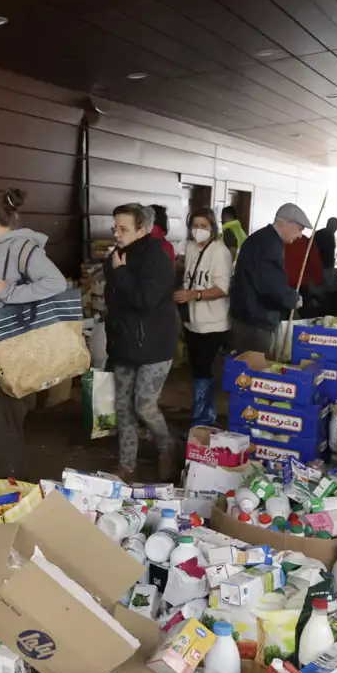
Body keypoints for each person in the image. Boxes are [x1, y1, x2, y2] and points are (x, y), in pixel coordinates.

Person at [0, 187, 66, 480]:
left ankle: (10, 493)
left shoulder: (20, 247)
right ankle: (3, 488)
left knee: (6, 426)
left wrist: (11, 291)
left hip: (17, 351)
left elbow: (56, 282)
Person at [104, 203, 178, 482]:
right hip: (124, 343)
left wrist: (121, 273)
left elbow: (145, 301)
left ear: (142, 230)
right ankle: (127, 465)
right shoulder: (118, 255)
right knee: (122, 406)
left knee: (144, 405)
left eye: (123, 229)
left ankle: (166, 445)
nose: (117, 234)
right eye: (115, 227)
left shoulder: (157, 258)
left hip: (154, 346)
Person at [174, 208, 232, 427]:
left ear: (213, 228)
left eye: (204, 226)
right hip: (192, 322)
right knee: (197, 370)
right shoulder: (190, 247)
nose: (199, 230)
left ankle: (203, 420)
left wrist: (194, 294)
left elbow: (222, 288)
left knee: (203, 371)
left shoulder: (219, 251)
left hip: (213, 324)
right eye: (195, 225)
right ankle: (201, 417)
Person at [231, 203, 311, 355]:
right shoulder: (271, 244)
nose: (300, 235)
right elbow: (271, 285)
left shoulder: (260, 237)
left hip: (245, 315)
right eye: (300, 229)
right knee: (256, 370)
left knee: (244, 367)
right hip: (257, 320)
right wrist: (293, 298)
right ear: (287, 223)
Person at [284, 233, 323, 318]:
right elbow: (315, 262)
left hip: (282, 282)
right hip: (300, 282)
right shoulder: (307, 242)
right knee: (301, 311)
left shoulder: (281, 239)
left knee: (282, 311)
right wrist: (318, 281)